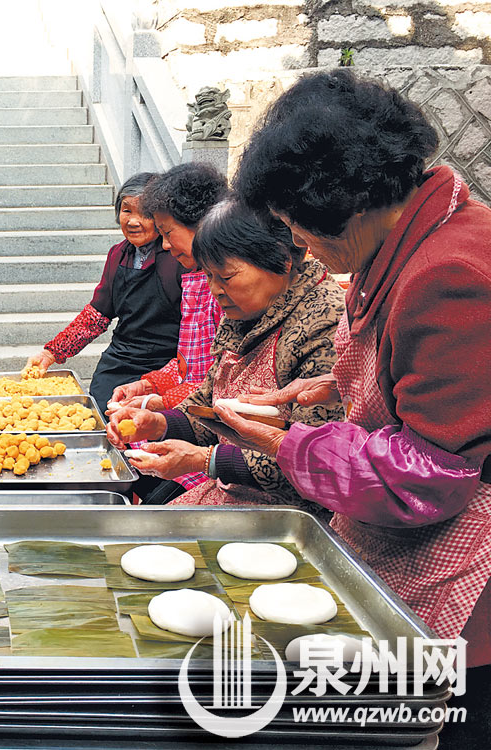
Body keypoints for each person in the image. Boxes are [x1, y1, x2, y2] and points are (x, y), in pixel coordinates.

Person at [217, 69, 491, 744]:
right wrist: (335, 387)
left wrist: (288, 445)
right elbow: (419, 371)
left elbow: (427, 471)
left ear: (346, 201)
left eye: (293, 221)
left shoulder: (450, 272)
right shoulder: (410, 233)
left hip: (470, 573)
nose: (296, 241)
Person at [106, 199, 345, 514]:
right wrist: (156, 423)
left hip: (291, 514)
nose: (216, 290)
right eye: (209, 276)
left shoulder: (326, 323)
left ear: (283, 260)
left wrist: (204, 460)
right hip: (230, 494)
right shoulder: (244, 311)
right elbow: (208, 406)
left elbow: (320, 459)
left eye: (227, 277)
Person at [104, 163, 228, 504]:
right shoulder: (190, 275)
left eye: (167, 232)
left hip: (217, 439)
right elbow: (190, 363)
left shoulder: (226, 285)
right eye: (125, 211)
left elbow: (218, 386)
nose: (166, 246)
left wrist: (153, 405)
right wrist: (146, 385)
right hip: (188, 408)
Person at [23, 172, 184, 408]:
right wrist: (51, 353)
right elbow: (96, 316)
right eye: (127, 210)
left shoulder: (179, 256)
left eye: (145, 213)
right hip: (122, 358)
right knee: (99, 410)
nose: (133, 221)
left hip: (169, 361)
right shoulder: (117, 254)